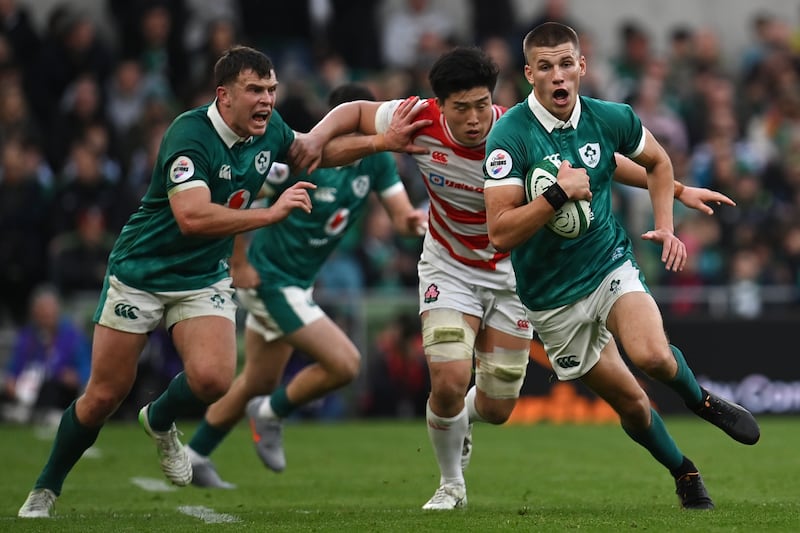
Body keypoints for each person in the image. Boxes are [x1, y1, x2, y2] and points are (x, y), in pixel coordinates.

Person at [286, 45, 736, 510]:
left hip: (513, 275)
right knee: (448, 380)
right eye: (462, 108)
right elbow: (355, 111)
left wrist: (677, 189)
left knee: (499, 407)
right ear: (440, 106)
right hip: (450, 267)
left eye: (483, 104)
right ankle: (450, 485)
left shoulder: (513, 129)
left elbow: (602, 160)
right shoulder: (416, 120)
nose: (475, 118)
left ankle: (463, 419)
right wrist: (325, 139)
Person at [16, 45, 426, 519]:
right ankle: (45, 488)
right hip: (142, 272)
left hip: (203, 275)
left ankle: (162, 419)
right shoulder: (189, 133)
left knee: (215, 379)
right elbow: (191, 216)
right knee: (104, 396)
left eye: (271, 90)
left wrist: (381, 142)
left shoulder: (270, 130)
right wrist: (269, 213)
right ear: (224, 95)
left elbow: (313, 151)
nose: (267, 100)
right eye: (254, 90)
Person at [482, 22, 760, 510]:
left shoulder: (611, 117)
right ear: (529, 74)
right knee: (632, 404)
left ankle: (703, 402)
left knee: (652, 355)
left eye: (567, 63)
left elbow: (656, 161)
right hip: (550, 297)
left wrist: (667, 221)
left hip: (608, 261)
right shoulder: (508, 137)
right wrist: (556, 195)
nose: (558, 75)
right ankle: (684, 471)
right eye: (545, 67)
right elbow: (500, 231)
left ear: (582, 67)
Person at [185, 83, 427, 489]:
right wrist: (239, 261)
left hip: (300, 283)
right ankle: (271, 414)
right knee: (346, 363)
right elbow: (240, 198)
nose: (362, 134)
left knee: (257, 381)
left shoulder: (376, 161)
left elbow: (401, 214)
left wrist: (419, 222)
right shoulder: (302, 156)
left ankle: (195, 455)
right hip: (271, 280)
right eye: (351, 125)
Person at [2, 285, 90, 424]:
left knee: (52, 387)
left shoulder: (73, 336)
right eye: (41, 313)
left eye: (49, 312)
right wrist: (11, 381)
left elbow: (86, 367)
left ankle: (35, 413)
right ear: (34, 313)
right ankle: (25, 411)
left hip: (58, 389)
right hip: (26, 389)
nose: (45, 317)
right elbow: (14, 367)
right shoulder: (26, 337)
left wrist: (77, 376)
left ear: (57, 311)